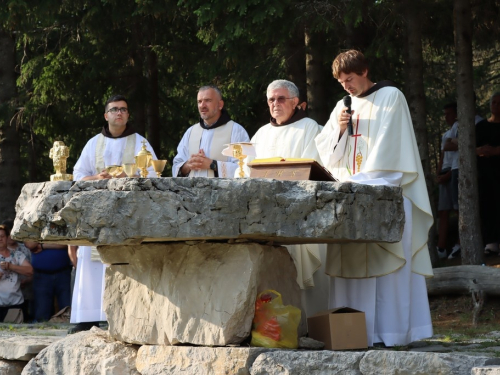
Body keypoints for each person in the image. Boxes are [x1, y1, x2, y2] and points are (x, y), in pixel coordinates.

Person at [315, 50, 434, 347]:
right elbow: (327, 156)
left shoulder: (391, 96)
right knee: (350, 269)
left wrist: (359, 180)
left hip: (386, 193)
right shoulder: (342, 106)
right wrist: (340, 129)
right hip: (351, 196)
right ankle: (354, 333)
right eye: (341, 82)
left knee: (389, 272)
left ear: (365, 70)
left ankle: (392, 333)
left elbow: (390, 148)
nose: (346, 86)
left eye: (350, 78)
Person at [69, 94, 157, 333]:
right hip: (96, 217)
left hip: (127, 216)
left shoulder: (141, 143)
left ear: (128, 115)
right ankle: (87, 317)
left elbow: (153, 174)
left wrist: (131, 177)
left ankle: (120, 316)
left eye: (124, 110)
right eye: (115, 109)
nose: (119, 113)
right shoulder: (93, 144)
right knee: (92, 265)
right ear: (106, 115)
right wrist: (96, 178)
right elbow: (77, 176)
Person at [240, 79, 328, 317]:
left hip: (299, 216)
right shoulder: (261, 134)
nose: (275, 104)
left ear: (296, 102)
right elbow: (248, 172)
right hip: (266, 218)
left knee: (303, 280)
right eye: (271, 99)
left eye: (281, 99)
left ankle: (310, 324)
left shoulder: (311, 129)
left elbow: (314, 170)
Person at [172, 85, 250, 178]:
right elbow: (176, 165)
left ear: (220, 105)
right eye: (199, 101)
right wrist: (188, 165)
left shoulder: (236, 131)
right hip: (192, 191)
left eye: (208, 100)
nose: (202, 105)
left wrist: (213, 165)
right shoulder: (191, 132)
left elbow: (245, 168)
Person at [476, 92, 500, 255]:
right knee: (487, 205)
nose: (496, 106)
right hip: (485, 174)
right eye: (494, 103)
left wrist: (496, 151)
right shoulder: (481, 126)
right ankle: (491, 242)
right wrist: (480, 150)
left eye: (499, 103)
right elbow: (469, 146)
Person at [24, 241, 72, 322]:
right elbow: (30, 244)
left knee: (67, 309)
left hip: (63, 272)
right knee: (42, 312)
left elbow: (67, 243)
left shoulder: (61, 228)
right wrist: (54, 243)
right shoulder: (34, 228)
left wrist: (43, 245)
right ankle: (40, 332)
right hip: (41, 275)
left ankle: (70, 330)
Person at [435, 103, 460, 259]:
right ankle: (441, 247)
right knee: (443, 211)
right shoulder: (446, 134)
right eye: (445, 114)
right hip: (444, 173)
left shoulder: (458, 129)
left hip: (453, 172)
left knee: (458, 209)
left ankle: (459, 244)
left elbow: (457, 158)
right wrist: (438, 173)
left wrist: (449, 174)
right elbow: (443, 156)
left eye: (449, 113)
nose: (446, 117)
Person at [0, 225, 33, 322]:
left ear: (7, 238)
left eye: (2, 236)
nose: (0, 239)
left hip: (16, 304)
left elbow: (30, 271)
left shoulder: (17, 255)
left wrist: (11, 267)